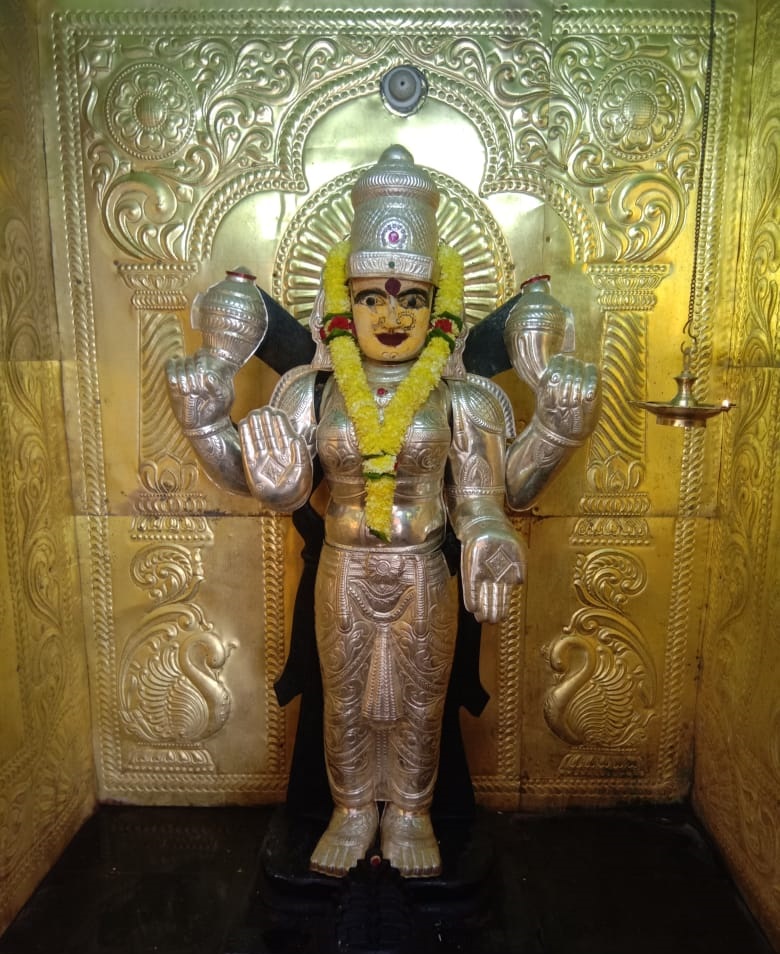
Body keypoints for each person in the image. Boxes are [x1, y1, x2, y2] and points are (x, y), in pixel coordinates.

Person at [166, 145, 599, 878]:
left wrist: (557, 432)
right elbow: (257, 478)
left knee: (422, 699)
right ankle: (350, 810)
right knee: (344, 699)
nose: (392, 316)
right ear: (343, 303)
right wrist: (206, 425)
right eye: (372, 299)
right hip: (344, 565)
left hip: (421, 568)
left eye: (411, 301)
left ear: (437, 308)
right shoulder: (313, 392)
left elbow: (493, 495)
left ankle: (409, 813)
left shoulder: (459, 397)